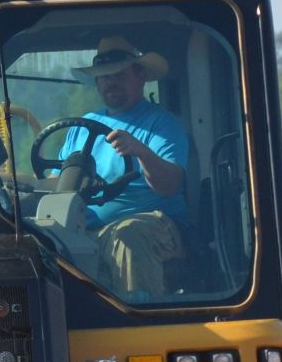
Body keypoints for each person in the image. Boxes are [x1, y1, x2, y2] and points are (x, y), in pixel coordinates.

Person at [59, 36, 189, 296]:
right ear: (97, 82)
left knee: (128, 237)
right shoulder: (83, 125)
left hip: (150, 225)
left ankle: (139, 323)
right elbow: (58, 182)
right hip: (83, 227)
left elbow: (170, 185)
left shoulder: (162, 124)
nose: (110, 82)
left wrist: (140, 151)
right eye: (103, 76)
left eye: (118, 74)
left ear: (140, 75)